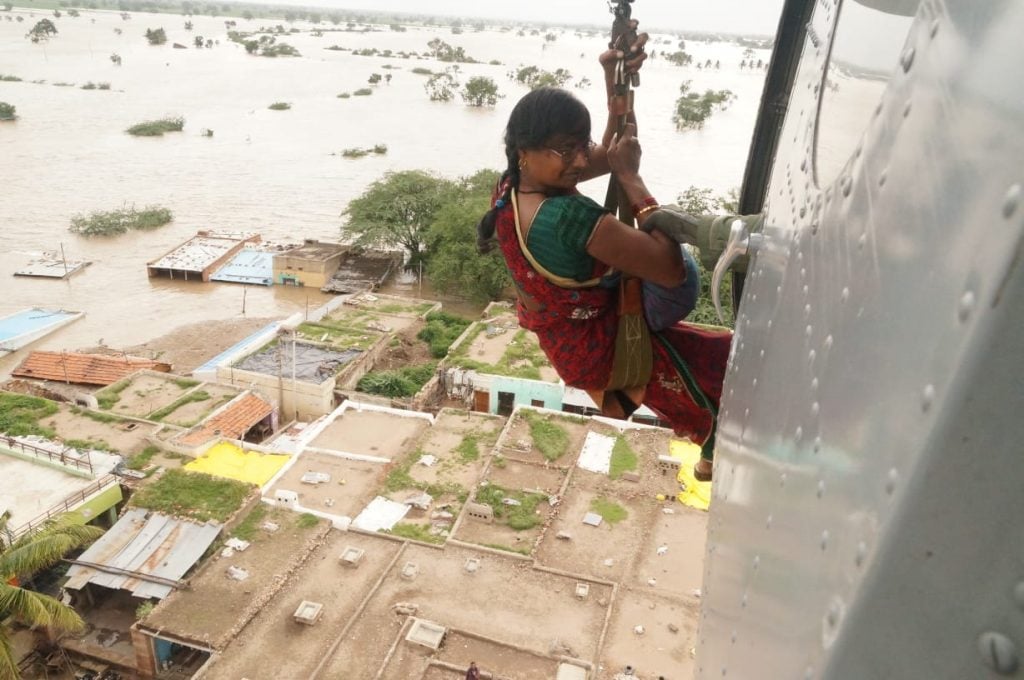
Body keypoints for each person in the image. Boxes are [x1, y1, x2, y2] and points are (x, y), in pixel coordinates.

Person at [476, 44, 735, 481]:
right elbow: (669, 270)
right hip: (607, 337)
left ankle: (712, 446)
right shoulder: (566, 220)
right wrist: (633, 181)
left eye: (583, 146)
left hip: (571, 342)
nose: (580, 160)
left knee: (709, 362)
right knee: (718, 365)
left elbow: (607, 154)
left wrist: (612, 78)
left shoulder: (510, 187)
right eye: (566, 150)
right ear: (528, 148)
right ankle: (718, 443)